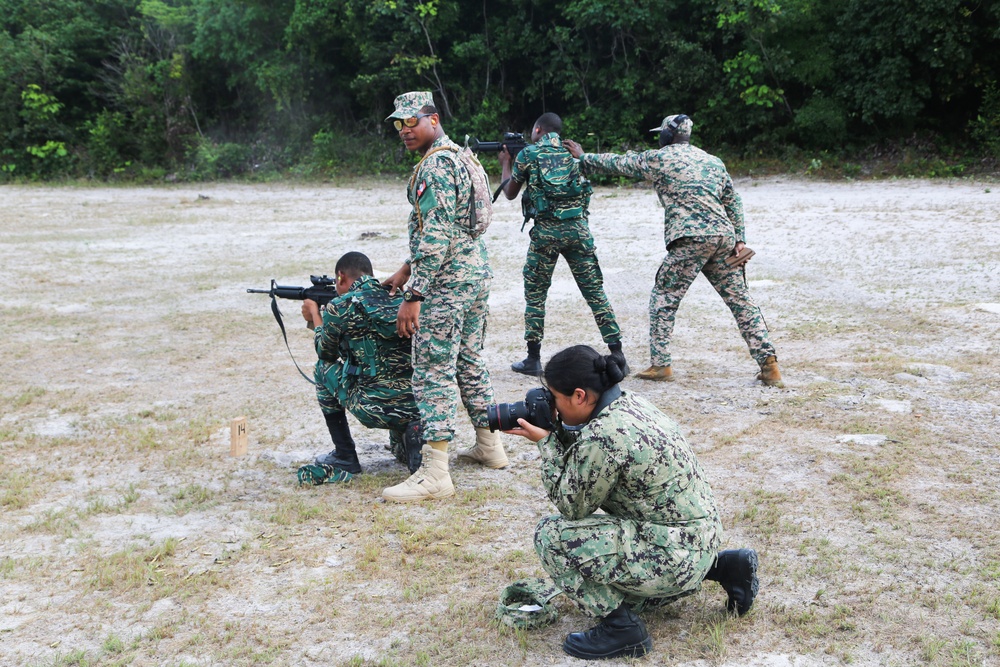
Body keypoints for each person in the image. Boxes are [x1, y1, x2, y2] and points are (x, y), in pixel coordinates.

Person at [503, 344, 759, 660]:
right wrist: (559, 429)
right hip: (698, 540)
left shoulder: (606, 434)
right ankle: (725, 566)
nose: (552, 408)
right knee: (622, 559)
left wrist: (547, 443)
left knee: (551, 537)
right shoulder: (629, 405)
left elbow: (572, 506)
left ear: (580, 396)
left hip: (675, 555)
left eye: (555, 399)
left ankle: (621, 629)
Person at [564, 114, 783, 386]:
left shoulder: (661, 158)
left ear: (668, 134)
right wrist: (740, 238)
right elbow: (733, 201)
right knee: (741, 302)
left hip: (690, 238)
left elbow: (620, 163)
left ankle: (661, 364)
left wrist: (584, 157)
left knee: (664, 298)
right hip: (723, 237)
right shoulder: (713, 161)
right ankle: (769, 365)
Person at [380, 90, 507, 502]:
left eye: (412, 121)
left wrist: (414, 292)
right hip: (473, 274)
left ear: (433, 119)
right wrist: (405, 267)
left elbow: (435, 234)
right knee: (469, 361)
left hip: (446, 283)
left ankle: (435, 472)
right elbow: (450, 227)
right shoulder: (461, 156)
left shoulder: (435, 165)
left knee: (432, 368)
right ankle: (490, 446)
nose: (405, 130)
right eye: (399, 124)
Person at [497, 112, 626, 376]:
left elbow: (510, 193)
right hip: (578, 230)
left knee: (535, 293)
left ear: (538, 130)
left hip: (546, 233)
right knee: (594, 292)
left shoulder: (528, 155)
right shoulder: (576, 152)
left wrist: (505, 164)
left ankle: (533, 358)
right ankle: (618, 354)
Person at [300, 251, 422, 479]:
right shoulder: (405, 300)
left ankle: (345, 455)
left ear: (340, 277)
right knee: (399, 450)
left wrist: (315, 317)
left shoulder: (339, 306)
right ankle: (412, 437)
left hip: (373, 409)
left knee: (322, 370)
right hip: (418, 406)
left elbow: (324, 352)